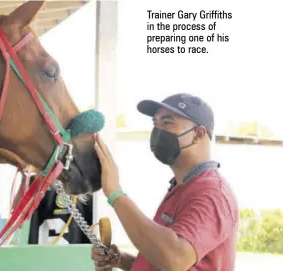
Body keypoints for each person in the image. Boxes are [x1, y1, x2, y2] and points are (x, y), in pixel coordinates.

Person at [91, 93, 239, 271]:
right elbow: (164, 259)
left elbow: (175, 258)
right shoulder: (182, 187)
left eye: (167, 123)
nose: (158, 131)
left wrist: (115, 193)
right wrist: (122, 260)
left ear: (198, 134)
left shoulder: (212, 193)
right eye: (155, 124)